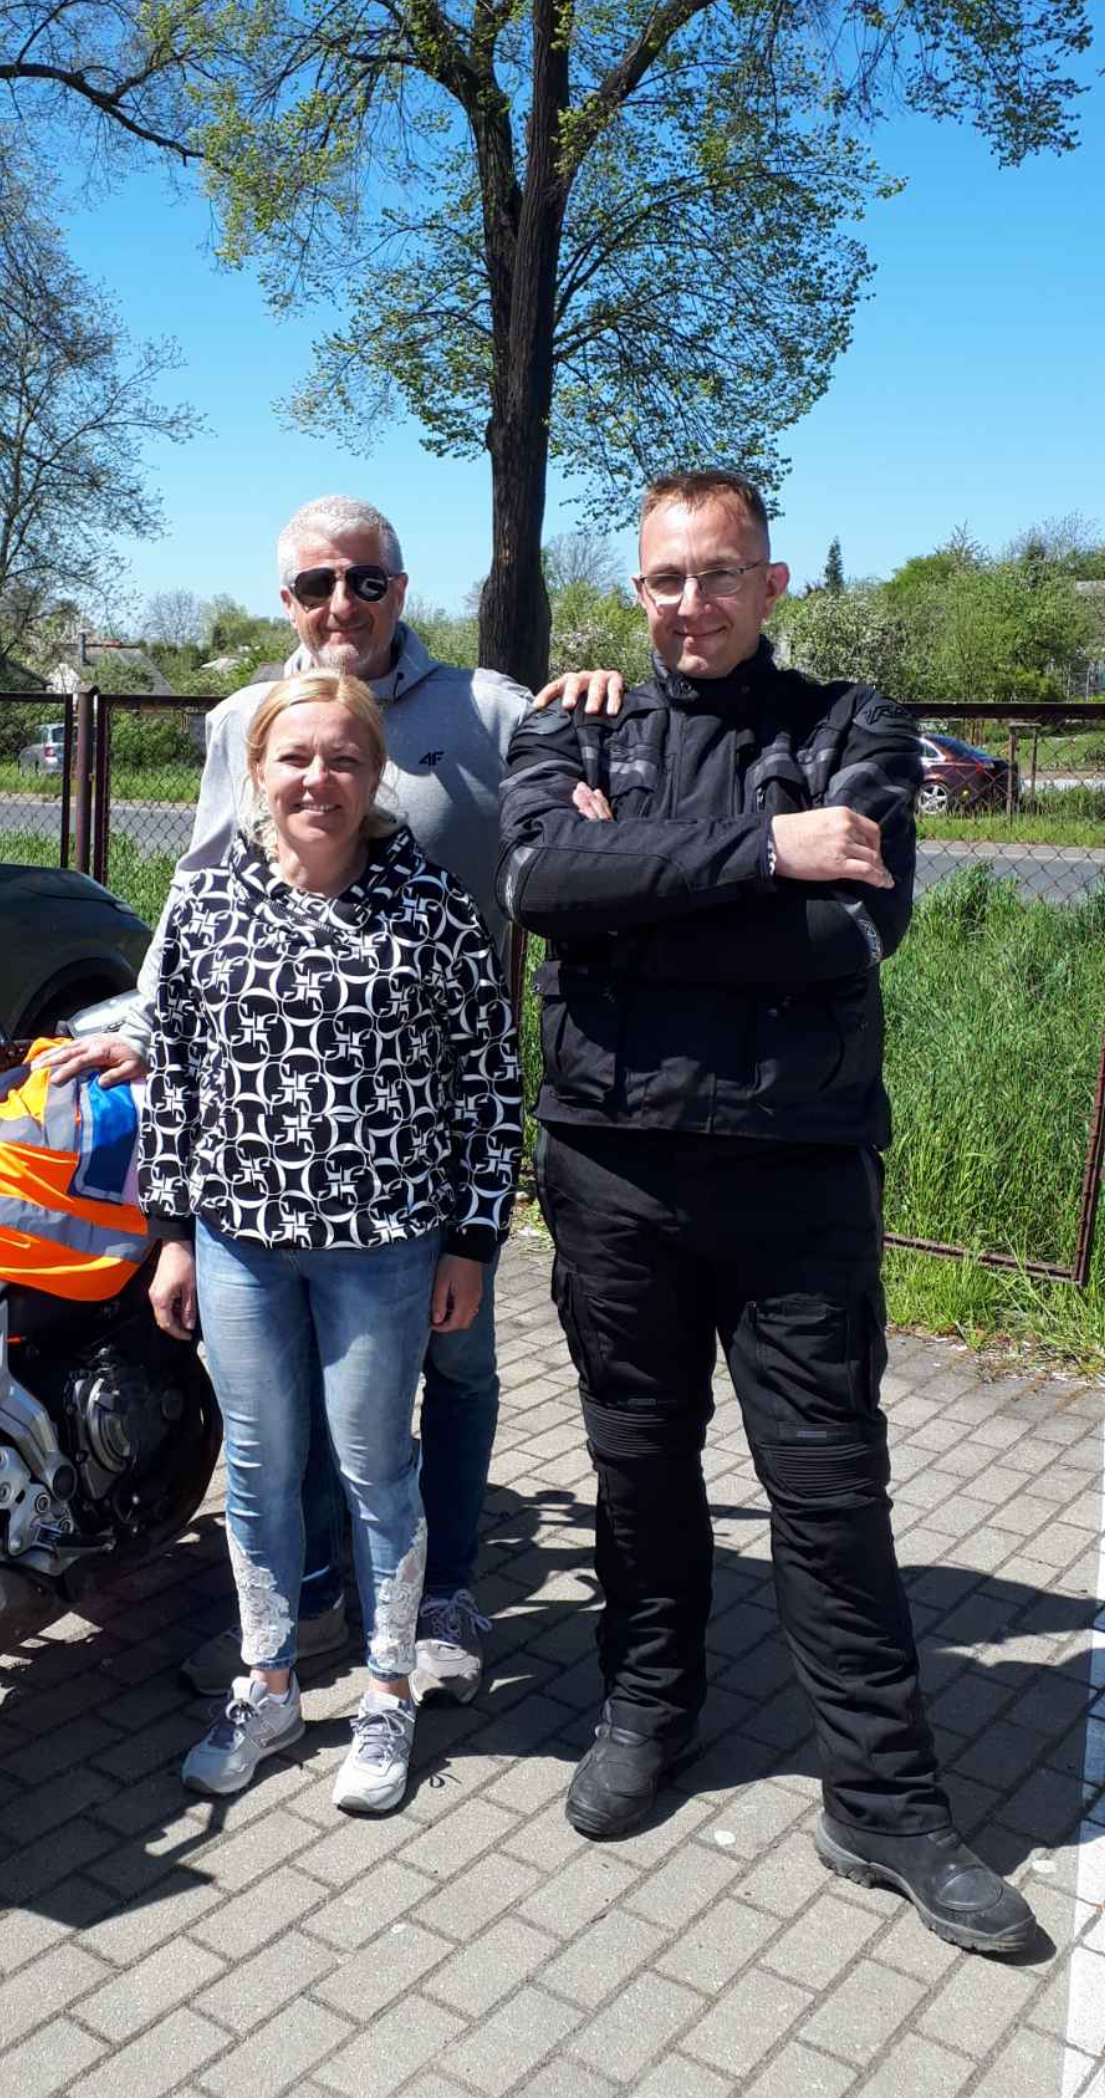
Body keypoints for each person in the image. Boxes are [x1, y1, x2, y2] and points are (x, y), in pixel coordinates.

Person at [496, 470, 1035, 1955]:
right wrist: (762, 850)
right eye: (665, 579)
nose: (691, 604)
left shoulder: (853, 723)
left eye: (719, 573)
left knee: (828, 1486)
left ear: (771, 582)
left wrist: (633, 898)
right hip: (611, 1165)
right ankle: (646, 1707)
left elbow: (845, 930)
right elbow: (540, 882)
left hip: (796, 1168)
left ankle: (884, 1799)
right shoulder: (573, 722)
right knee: (636, 1462)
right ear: (638, 588)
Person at [44, 495, 618, 1707]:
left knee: (456, 1370)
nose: (341, 603)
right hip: (291, 1147)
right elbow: (201, 898)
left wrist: (608, 697)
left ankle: (443, 1596)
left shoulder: (488, 709)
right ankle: (307, 1607)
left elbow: (599, 793)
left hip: (426, 1138)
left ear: (401, 588)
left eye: (364, 579)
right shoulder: (245, 719)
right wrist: (149, 1030)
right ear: (287, 600)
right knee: (302, 1396)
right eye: (316, 584)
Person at [139, 670, 521, 1811]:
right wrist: (171, 1233)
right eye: (296, 757)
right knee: (260, 1471)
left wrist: (472, 1240)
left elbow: (490, 1080)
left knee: (374, 1469)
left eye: (344, 758)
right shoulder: (206, 896)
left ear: (375, 773)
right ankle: (268, 1682)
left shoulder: (430, 904)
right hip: (238, 1239)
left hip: (385, 1247)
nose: (319, 779)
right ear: (258, 770)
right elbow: (173, 1072)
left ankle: (388, 1690)